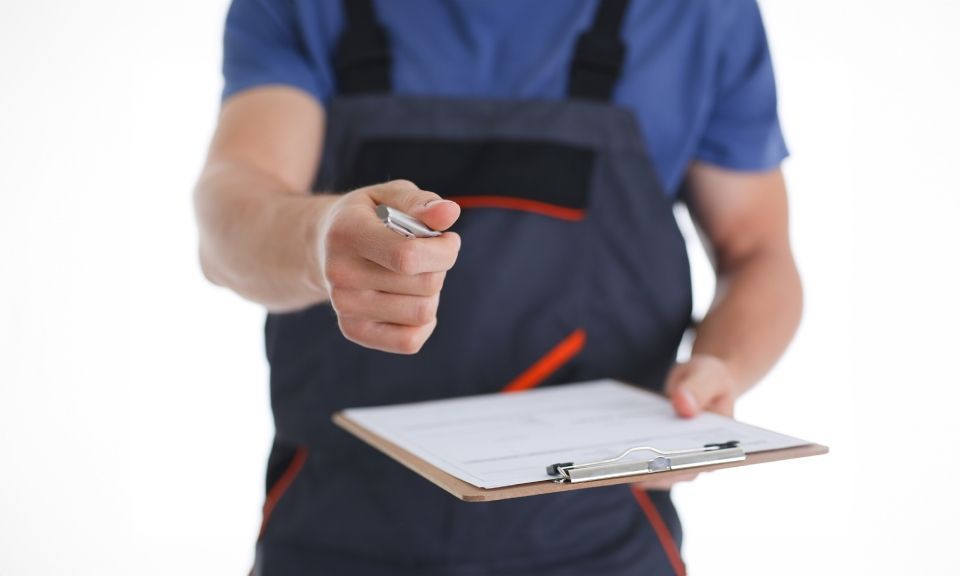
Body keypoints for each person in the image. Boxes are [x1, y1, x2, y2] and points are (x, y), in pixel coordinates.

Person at [193, 0, 802, 574]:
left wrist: (722, 365)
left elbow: (759, 252)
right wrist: (318, 238)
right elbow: (230, 219)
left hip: (602, 535)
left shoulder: (697, 14)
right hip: (334, 527)